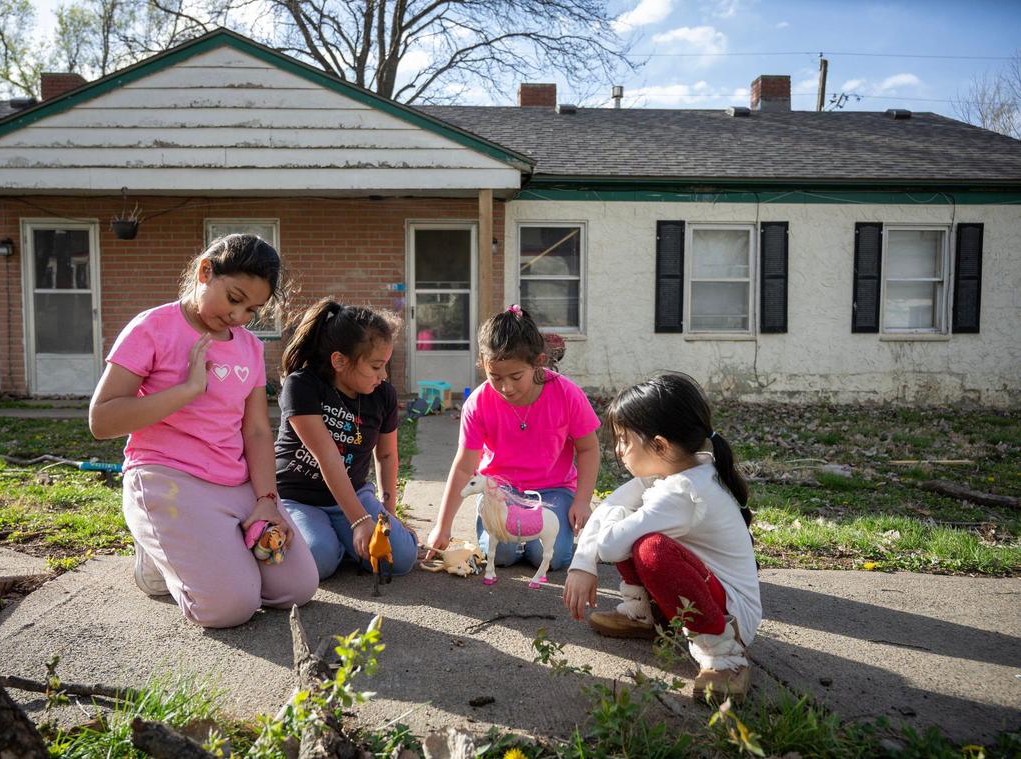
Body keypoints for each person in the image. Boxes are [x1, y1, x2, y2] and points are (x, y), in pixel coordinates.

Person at [88, 234, 318, 628]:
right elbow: (102, 420)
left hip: (236, 483)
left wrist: (266, 499)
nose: (239, 317)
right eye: (233, 298)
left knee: (296, 589)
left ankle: (203, 550)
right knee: (229, 608)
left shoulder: (249, 347)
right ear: (204, 271)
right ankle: (159, 556)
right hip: (169, 477)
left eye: (252, 309)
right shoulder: (151, 328)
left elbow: (258, 432)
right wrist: (188, 390)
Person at [564, 373, 760, 702]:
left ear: (660, 445)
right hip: (709, 589)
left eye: (625, 439)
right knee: (634, 530)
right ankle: (646, 616)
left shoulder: (683, 492)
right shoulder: (678, 470)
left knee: (650, 548)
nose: (618, 448)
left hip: (732, 617)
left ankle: (725, 655)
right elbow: (609, 506)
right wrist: (582, 563)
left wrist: (618, 518)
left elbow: (611, 545)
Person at [427, 305, 600, 573]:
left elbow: (588, 448)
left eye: (516, 376)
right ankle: (509, 537)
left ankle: (533, 541)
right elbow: (464, 467)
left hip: (553, 490)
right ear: (483, 365)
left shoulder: (567, 395)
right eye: (495, 377)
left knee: (550, 557)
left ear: (538, 361)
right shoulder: (479, 403)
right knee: (500, 556)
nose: (506, 387)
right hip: (500, 490)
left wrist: (581, 500)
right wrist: (443, 525)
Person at [276, 298, 418, 580]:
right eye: (376, 366)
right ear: (339, 361)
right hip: (299, 498)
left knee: (399, 560)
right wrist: (360, 520)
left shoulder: (383, 395)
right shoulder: (302, 385)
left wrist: (387, 515)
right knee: (319, 559)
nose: (383, 375)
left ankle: (341, 536)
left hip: (353, 493)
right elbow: (327, 455)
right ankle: (335, 541)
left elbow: (387, 455)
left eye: (386, 366)